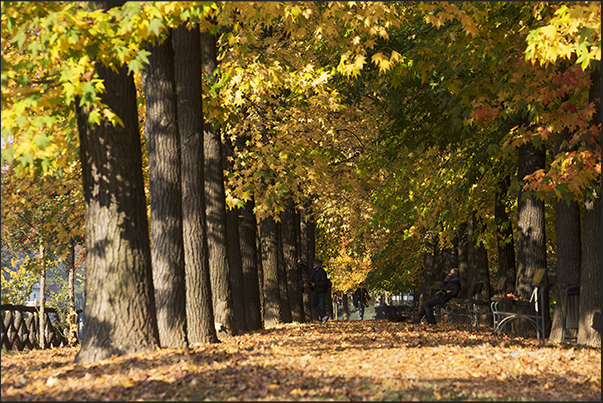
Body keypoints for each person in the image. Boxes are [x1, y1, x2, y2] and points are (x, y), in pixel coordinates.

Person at [308, 258, 330, 322]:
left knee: (322, 304)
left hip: (322, 291)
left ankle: (323, 318)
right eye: (314, 263)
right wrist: (301, 264)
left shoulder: (322, 272)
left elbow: (324, 282)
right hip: (316, 291)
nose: (314, 265)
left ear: (319, 264)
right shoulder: (314, 271)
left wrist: (316, 284)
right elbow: (307, 270)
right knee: (314, 305)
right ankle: (323, 316)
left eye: (315, 263)